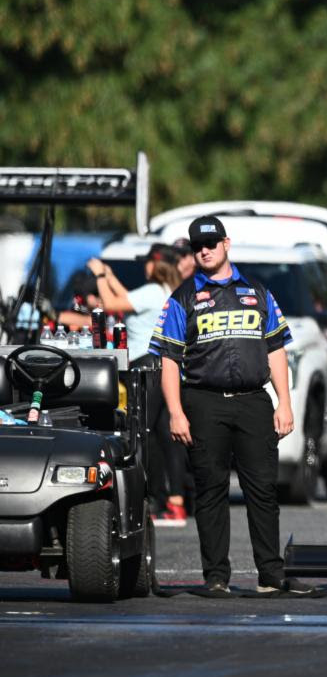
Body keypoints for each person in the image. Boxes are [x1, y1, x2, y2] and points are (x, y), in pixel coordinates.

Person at [149, 215, 310, 595]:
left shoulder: (257, 291)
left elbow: (276, 349)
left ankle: (271, 574)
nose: (204, 251)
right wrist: (175, 411)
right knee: (210, 491)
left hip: (254, 402)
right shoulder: (182, 298)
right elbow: (169, 360)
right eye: (197, 246)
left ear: (226, 244)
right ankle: (216, 576)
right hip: (204, 403)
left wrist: (284, 403)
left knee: (263, 490)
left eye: (211, 243)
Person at [87, 244, 188, 526]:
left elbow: (110, 305)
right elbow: (126, 296)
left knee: (143, 434)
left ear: (156, 265)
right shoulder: (168, 290)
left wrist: (98, 276)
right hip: (165, 368)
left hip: (146, 369)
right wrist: (109, 275)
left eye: (147, 262)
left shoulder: (153, 292)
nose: (144, 267)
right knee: (165, 436)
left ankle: (153, 498)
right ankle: (175, 500)